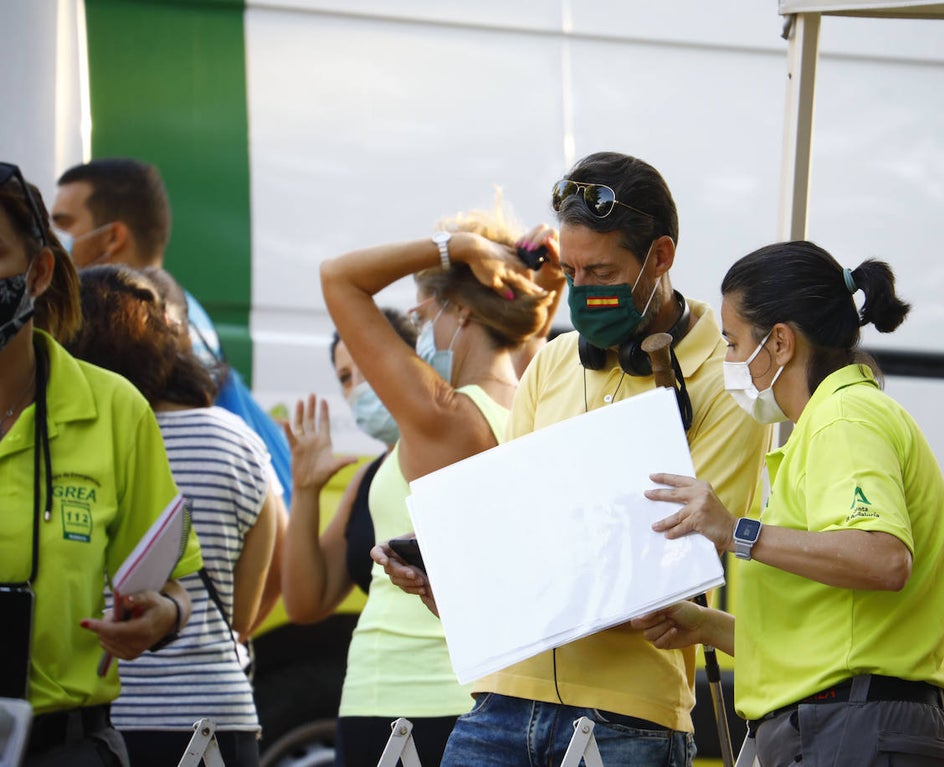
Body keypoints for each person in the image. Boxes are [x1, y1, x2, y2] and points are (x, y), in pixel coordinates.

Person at [381, 151, 769, 767]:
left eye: (602, 271)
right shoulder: (556, 362)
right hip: (501, 698)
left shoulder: (728, 387)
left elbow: (664, 567)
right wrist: (450, 576)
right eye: (572, 272)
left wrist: (514, 572)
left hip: (628, 718)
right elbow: (517, 527)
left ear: (661, 257)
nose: (582, 292)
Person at [635, 240, 944, 767]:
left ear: (781, 343)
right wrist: (706, 627)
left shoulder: (845, 419)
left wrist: (737, 532)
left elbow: (883, 559)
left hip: (854, 729)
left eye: (731, 342)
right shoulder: (838, 421)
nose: (727, 360)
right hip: (855, 724)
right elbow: (833, 642)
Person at [318, 201, 563, 767]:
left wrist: (456, 250)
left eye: (426, 315)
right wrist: (539, 276)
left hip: (396, 700)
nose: (422, 332)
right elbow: (527, 326)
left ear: (460, 313)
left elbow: (338, 277)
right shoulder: (536, 404)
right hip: (490, 700)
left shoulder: (446, 416)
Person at [0, 162, 201, 766]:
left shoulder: (112, 408)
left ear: (38, 272)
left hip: (62, 745)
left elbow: (171, 588)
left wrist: (161, 616)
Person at [66, 264, 280, 767]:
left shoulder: (71, 445)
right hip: (212, 719)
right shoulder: (236, 441)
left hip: (98, 716)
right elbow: (241, 617)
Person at [51, 157, 294, 506]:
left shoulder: (159, 326)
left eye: (64, 225)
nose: (54, 240)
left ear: (114, 237)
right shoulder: (183, 310)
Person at [281, 307, 419, 626]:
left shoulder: (457, 453)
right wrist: (305, 489)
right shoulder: (367, 479)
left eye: (368, 364)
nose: (358, 387)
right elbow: (307, 604)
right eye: (345, 378)